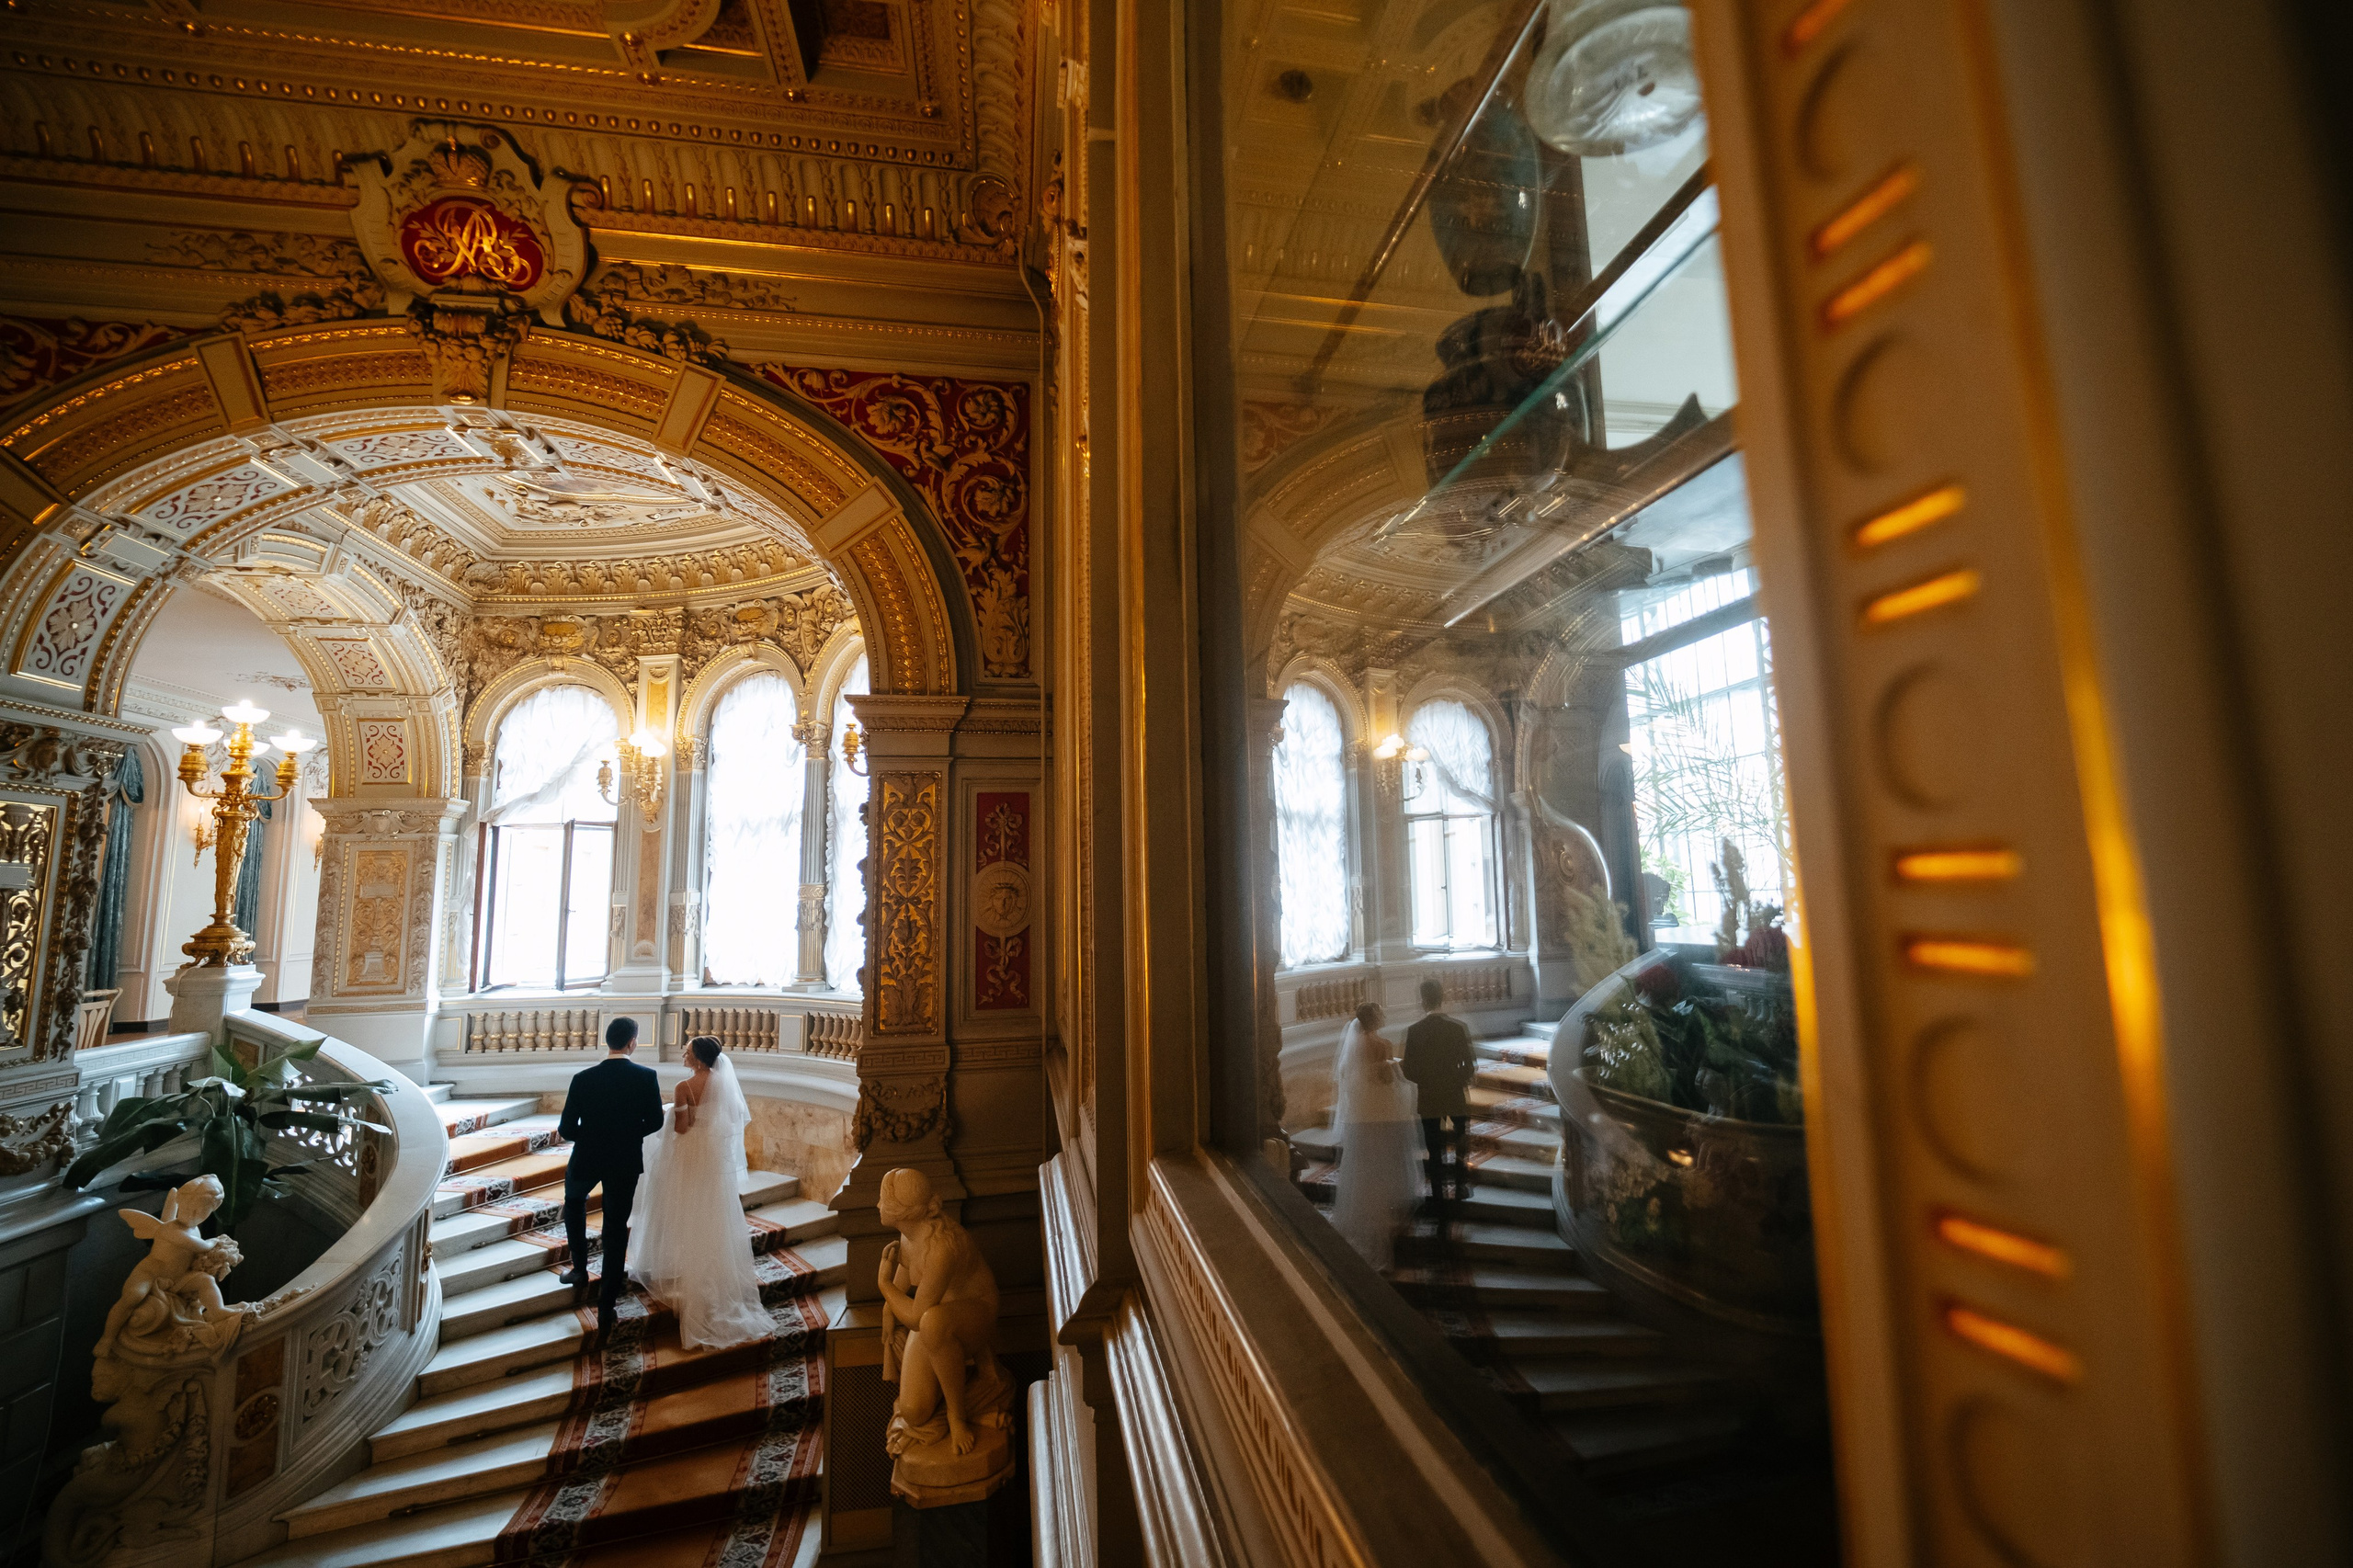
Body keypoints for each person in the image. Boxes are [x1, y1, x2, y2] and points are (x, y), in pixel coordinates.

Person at [629, 1036, 771, 1349]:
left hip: (691, 1153)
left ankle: (685, 1269)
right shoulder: (723, 1084)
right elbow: (729, 1121)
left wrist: (669, 1113)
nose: (683, 1053)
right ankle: (713, 1269)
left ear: (697, 1058)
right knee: (711, 1210)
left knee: (684, 1208)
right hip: (713, 1156)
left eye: (688, 1051)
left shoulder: (684, 1087)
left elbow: (682, 1127)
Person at [559, 1016, 665, 1336]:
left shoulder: (582, 1078)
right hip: (624, 1159)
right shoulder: (646, 1077)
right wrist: (626, 1134)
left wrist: (592, 1136)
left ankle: (579, 1268)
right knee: (615, 1229)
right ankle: (607, 1309)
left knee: (574, 1201)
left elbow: (565, 1129)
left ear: (608, 1041)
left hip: (587, 1157)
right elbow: (656, 1121)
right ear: (632, 1043)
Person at [1329, 1001, 1424, 1270]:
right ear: (1375, 1019)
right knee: (1385, 1162)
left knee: (1363, 1163)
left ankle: (1361, 1215)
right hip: (1382, 1113)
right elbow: (1387, 1082)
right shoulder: (1383, 1044)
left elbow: (1351, 1080)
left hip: (1362, 1115)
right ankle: (1383, 1216)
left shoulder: (1355, 1046)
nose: (1385, 1014)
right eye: (1381, 1012)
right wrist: (1393, 1069)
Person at [1401, 977, 1476, 1210]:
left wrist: (1427, 1081)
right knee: (1461, 1139)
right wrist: (1455, 1081)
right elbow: (1470, 1066)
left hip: (1429, 1095)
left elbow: (1408, 1069)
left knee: (1434, 1148)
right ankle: (1461, 1184)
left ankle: (1438, 1194)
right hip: (1454, 1093)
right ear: (1442, 998)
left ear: (1423, 1001)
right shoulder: (1457, 1028)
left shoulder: (1413, 1031)